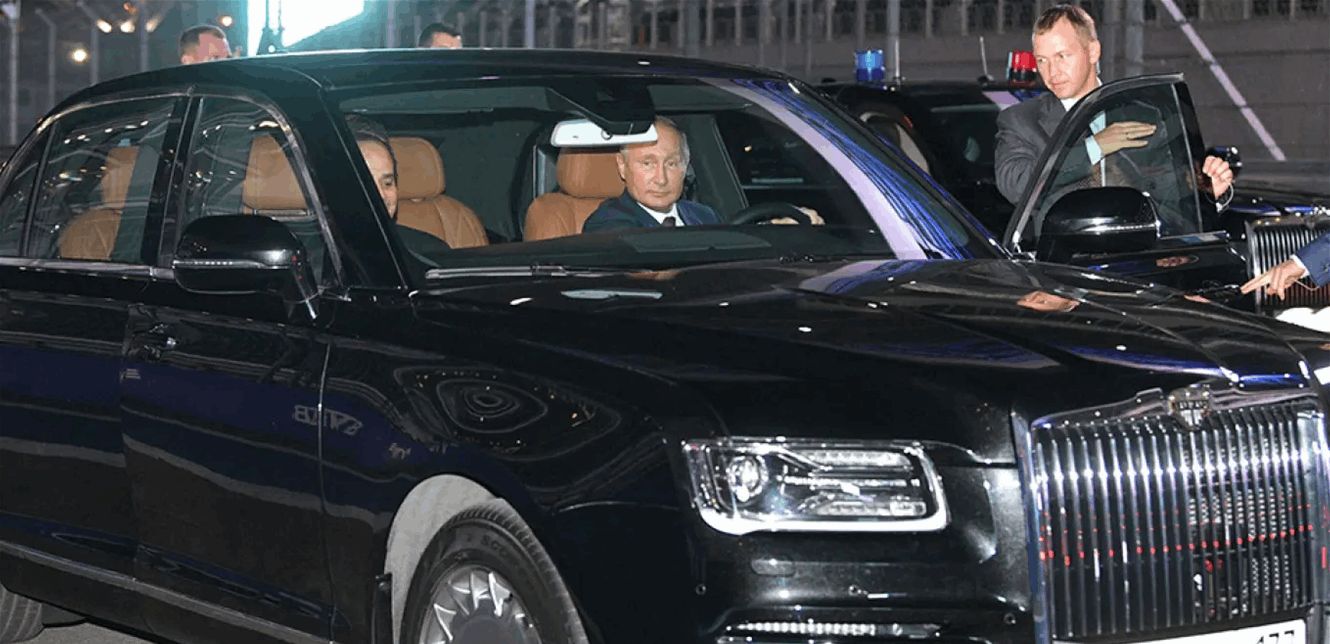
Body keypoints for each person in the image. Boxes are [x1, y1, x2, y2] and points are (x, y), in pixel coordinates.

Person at [994, 4, 1234, 210]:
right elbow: (1017, 186)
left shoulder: (1144, 116)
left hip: (1138, 247)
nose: (1051, 72)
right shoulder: (1021, 120)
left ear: (1093, 52)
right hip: (1065, 250)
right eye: (1042, 60)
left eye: (1062, 56)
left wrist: (1207, 190)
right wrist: (1093, 148)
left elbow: (1171, 197)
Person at [582, 117, 823, 233]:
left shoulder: (702, 214)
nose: (661, 178)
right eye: (647, 164)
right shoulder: (607, 222)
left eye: (672, 163)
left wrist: (776, 229)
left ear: (685, 166)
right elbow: (655, 252)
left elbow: (729, 248)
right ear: (622, 166)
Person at [345, 115, 452, 262]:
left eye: (387, 183)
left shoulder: (431, 251)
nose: (381, 195)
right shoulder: (317, 262)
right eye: (365, 183)